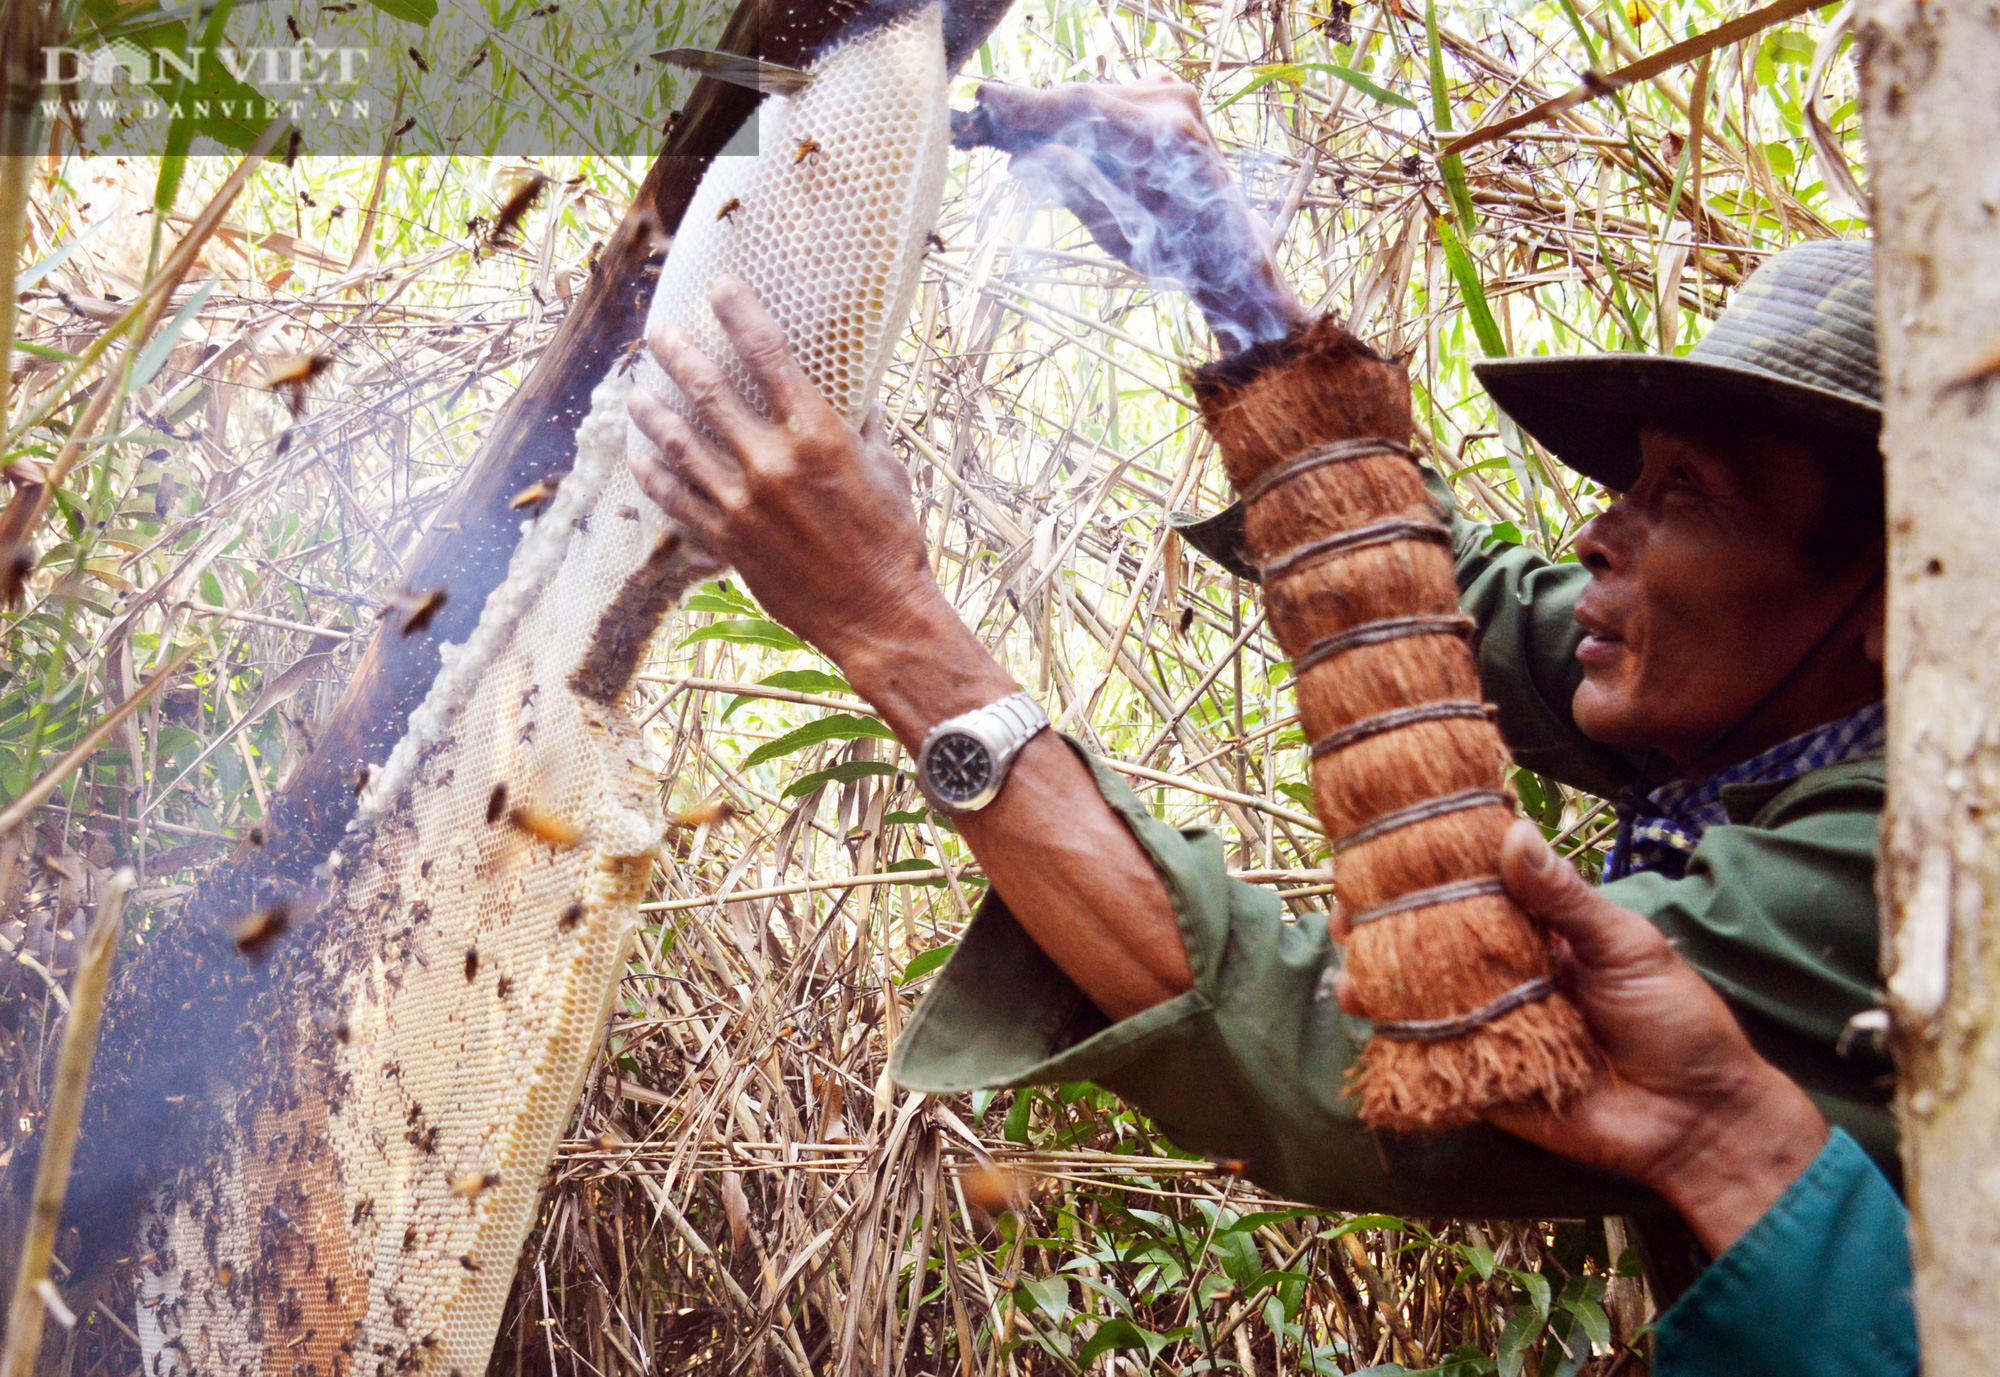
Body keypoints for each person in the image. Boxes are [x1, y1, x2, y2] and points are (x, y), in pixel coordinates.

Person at [625, 78, 1915, 1373]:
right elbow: (1424, 591)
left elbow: (1343, 1055)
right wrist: (1223, 269)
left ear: (1907, 593)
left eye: (1683, 493)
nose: (1597, 535)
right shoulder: (1796, 702)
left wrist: (889, 623)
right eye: (1630, 477)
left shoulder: (1900, 865)